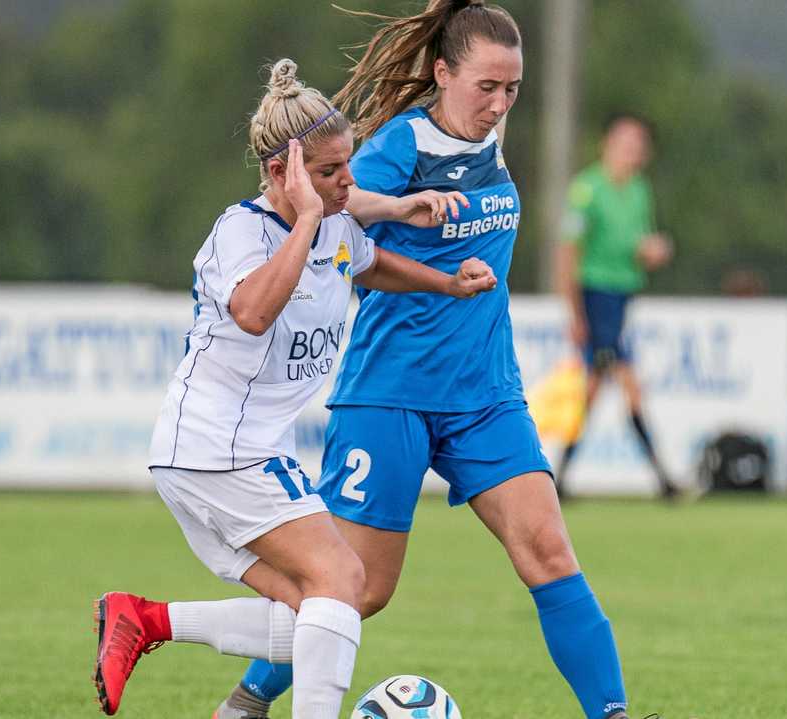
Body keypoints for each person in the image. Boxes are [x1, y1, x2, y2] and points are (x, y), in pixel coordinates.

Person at [230, 3, 640, 719]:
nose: (500, 103)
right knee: (358, 588)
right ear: (443, 72)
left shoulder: (491, 141)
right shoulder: (401, 143)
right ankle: (243, 703)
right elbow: (335, 204)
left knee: (548, 550)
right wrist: (400, 202)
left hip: (486, 393)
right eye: (486, 86)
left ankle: (613, 714)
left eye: (512, 89)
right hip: (390, 391)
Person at [91, 59, 497, 718]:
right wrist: (308, 219)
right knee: (342, 578)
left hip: (224, 452)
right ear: (281, 171)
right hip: (219, 447)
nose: (346, 183)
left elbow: (370, 263)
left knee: (321, 607)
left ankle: (142, 619)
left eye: (347, 167)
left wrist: (445, 282)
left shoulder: (335, 224)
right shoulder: (240, 231)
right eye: (329, 170)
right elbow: (253, 311)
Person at [553, 113, 676, 499]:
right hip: (596, 296)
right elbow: (569, 251)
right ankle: (663, 479)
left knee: (594, 387)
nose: (633, 154)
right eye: (626, 145)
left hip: (622, 298)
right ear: (608, 145)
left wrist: (651, 251)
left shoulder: (639, 190)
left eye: (638, 147)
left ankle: (561, 476)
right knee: (624, 384)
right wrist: (573, 311)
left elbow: (636, 243)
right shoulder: (587, 189)